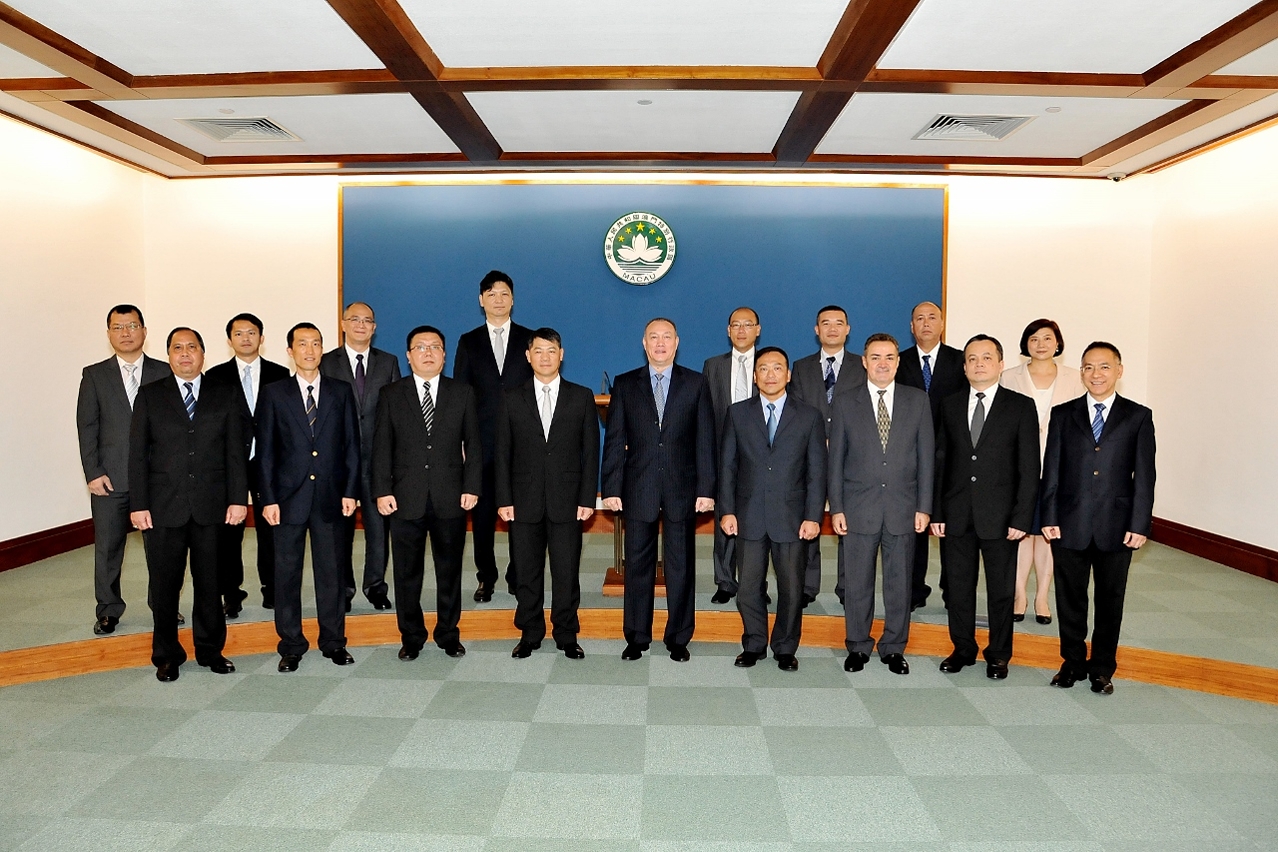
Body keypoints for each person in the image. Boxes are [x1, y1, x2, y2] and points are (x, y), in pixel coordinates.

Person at [128, 328, 248, 682]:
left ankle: (211, 650)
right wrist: (139, 504)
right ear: (168, 355)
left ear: (203, 354)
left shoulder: (224, 393)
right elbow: (137, 455)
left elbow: (235, 452)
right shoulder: (150, 396)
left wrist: (238, 499)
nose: (185, 354)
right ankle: (166, 655)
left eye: (191, 347)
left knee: (210, 583)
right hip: (164, 507)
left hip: (212, 506)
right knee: (165, 585)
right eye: (177, 348)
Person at [1041, 342, 1155, 695]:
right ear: (1081, 371)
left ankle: (1103, 668)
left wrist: (1139, 524)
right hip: (1069, 522)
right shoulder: (1063, 414)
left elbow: (1145, 475)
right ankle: (1072, 663)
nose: (1096, 374)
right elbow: (1052, 470)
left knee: (1110, 601)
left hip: (1117, 526)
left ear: (1119, 370)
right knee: (1070, 599)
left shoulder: (1138, 416)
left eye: (1104, 367)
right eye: (1089, 367)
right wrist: (1048, 515)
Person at [601, 318, 716, 662]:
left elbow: (704, 441)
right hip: (639, 487)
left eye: (667, 337)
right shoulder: (625, 384)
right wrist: (610, 486)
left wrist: (707, 488)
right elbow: (615, 439)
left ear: (677, 342)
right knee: (638, 566)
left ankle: (679, 637)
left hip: (683, 488)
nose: (661, 343)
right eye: (654, 337)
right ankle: (637, 636)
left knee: (681, 566)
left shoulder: (696, 383)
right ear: (644, 343)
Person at [931, 335, 1039, 679]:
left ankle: (998, 654)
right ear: (964, 367)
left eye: (986, 358)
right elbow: (940, 463)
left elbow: (1028, 467)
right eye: (972, 359)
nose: (979, 364)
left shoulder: (1020, 406)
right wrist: (937, 513)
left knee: (1001, 591)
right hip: (956, 515)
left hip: (1002, 518)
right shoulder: (948, 405)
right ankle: (962, 648)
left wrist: (1023, 517)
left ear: (1000, 364)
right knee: (959, 589)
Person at [257, 323, 361, 672]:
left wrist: (351, 491)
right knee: (286, 575)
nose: (310, 350)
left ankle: (333, 641)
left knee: (331, 573)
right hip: (287, 500)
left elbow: (351, 445)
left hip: (331, 496)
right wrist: (267, 498)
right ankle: (291, 644)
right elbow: (266, 452)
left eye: (316, 343)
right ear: (290, 351)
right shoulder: (274, 393)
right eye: (302, 344)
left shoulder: (340, 391)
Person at [373, 326, 481, 661]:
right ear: (408, 356)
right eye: (420, 347)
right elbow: (381, 448)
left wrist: (472, 487)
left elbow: (474, 445)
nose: (428, 352)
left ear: (445, 354)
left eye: (435, 346)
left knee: (449, 571)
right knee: (407, 573)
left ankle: (449, 633)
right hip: (405, 498)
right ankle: (412, 636)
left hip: (451, 496)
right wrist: (381, 490)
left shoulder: (462, 393)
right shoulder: (392, 394)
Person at [829, 333, 933, 675]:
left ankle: (893, 647)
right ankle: (857, 646)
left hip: (904, 508)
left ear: (898, 361)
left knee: (899, 584)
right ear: (864, 361)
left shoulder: (917, 400)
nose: (883, 363)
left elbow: (926, 458)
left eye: (889, 357)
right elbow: (836, 460)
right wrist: (837, 507)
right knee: (857, 583)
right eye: (875, 357)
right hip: (858, 508)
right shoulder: (845, 402)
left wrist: (924, 506)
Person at [719, 347, 826, 671]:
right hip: (748, 515)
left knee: (791, 589)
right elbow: (727, 467)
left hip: (793, 518)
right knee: (748, 589)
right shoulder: (738, 413)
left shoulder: (808, 416)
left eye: (777, 368)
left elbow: (816, 471)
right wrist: (727, 511)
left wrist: (813, 515)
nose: (770, 374)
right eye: (763, 369)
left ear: (788, 375)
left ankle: (784, 647)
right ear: (754, 376)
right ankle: (753, 644)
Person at [495, 328, 599, 659]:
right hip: (523, 501)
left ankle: (566, 633)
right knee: (527, 570)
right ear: (528, 356)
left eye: (551, 351)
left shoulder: (581, 396)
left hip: (568, 501)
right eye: (538, 351)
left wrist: (587, 499)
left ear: (561, 354)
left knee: (566, 571)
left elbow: (590, 452)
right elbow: (502, 453)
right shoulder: (511, 397)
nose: (545, 357)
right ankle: (530, 631)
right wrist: (503, 498)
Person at [76, 304, 171, 635]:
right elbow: (87, 426)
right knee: (107, 547)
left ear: (145, 331)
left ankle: (163, 606)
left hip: (157, 479)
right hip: (110, 478)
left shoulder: (164, 371)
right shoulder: (94, 374)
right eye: (118, 327)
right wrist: (93, 471)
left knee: (160, 548)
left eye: (132, 326)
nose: (126, 332)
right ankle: (108, 608)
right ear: (109, 334)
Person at [453, 271, 534, 602]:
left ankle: (519, 575)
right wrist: (461, 441)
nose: (498, 299)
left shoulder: (530, 339)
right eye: (491, 293)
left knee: (521, 514)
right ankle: (486, 576)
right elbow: (460, 393)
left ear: (513, 299)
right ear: (481, 300)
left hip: (522, 442)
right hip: (481, 442)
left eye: (504, 294)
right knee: (483, 516)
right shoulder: (468, 341)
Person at [999, 319, 1085, 624]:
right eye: (1034, 338)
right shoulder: (1008, 377)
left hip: (1059, 464)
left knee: (1048, 532)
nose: (1041, 344)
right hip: (1019, 463)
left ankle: (1042, 595)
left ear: (1058, 343)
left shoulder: (1076, 379)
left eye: (1047, 338)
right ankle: (1019, 593)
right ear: (1026, 344)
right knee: (1022, 531)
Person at [205, 313, 290, 615]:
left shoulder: (280, 374)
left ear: (262, 338)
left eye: (251, 332)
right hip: (230, 463)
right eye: (238, 334)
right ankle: (231, 592)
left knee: (271, 527)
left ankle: (273, 588)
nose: (245, 338)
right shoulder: (214, 377)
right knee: (230, 530)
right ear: (229, 340)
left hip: (270, 463)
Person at [320, 301, 401, 612]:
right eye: (354, 319)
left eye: (368, 320)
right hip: (338, 464)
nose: (361, 325)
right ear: (343, 324)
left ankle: (375, 586)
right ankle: (343, 589)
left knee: (379, 530)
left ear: (374, 327)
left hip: (378, 461)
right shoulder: (326, 363)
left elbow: (396, 411)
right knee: (339, 531)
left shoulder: (389, 362)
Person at [788, 305, 867, 606]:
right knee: (809, 519)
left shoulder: (863, 366)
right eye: (825, 323)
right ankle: (807, 587)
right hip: (810, 460)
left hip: (852, 460)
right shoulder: (801, 367)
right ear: (816, 330)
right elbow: (794, 413)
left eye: (839, 323)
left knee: (850, 524)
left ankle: (849, 587)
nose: (832, 328)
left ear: (848, 329)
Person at [896, 300, 966, 611]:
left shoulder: (961, 361)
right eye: (919, 318)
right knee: (916, 528)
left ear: (942, 324)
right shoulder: (899, 361)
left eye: (932, 317)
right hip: (910, 458)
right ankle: (913, 591)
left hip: (953, 458)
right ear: (911, 327)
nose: (926, 323)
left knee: (952, 529)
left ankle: (953, 591)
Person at [701, 306, 761, 604]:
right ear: (728, 331)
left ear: (757, 330)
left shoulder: (768, 364)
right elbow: (705, 413)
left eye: (747, 324)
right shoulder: (712, 365)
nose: (741, 330)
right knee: (724, 514)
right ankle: (725, 580)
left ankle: (754, 583)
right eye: (735, 324)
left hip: (762, 455)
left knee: (758, 520)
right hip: (723, 452)